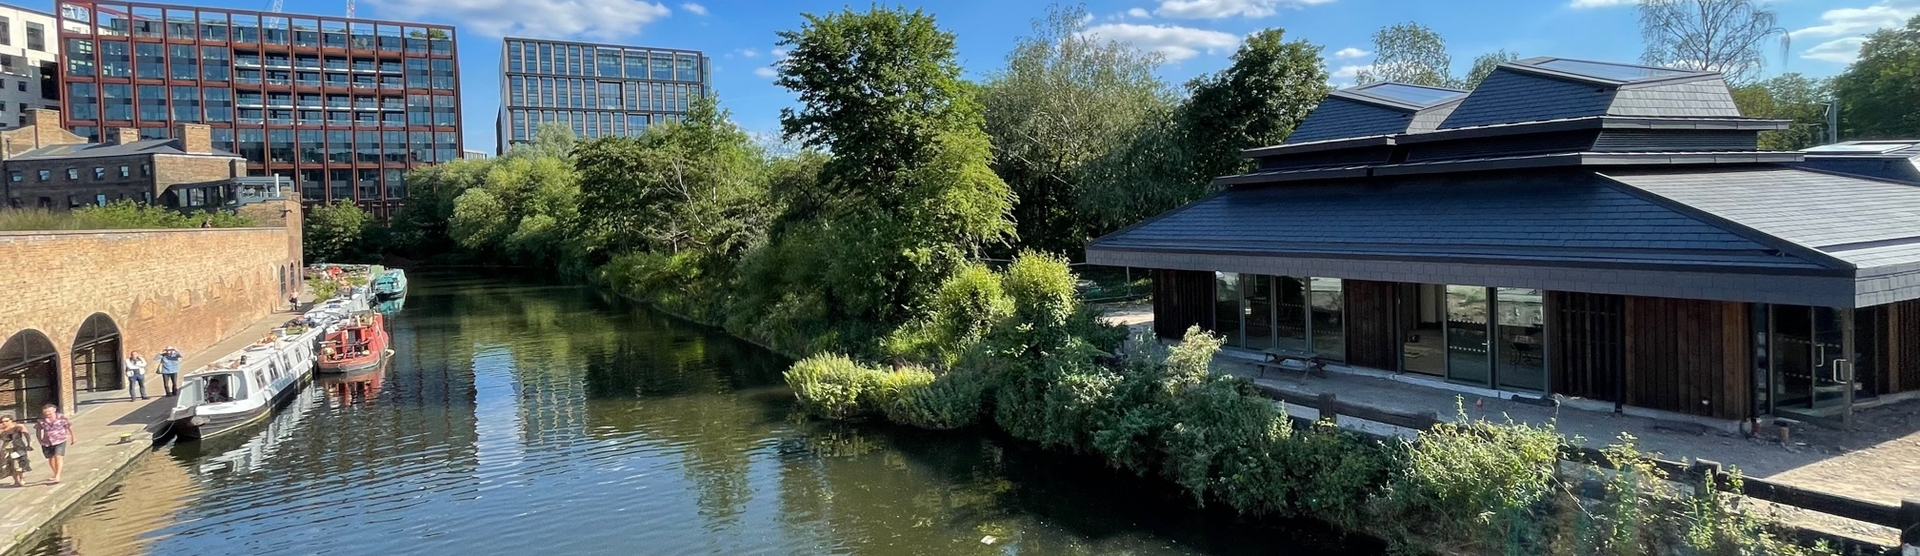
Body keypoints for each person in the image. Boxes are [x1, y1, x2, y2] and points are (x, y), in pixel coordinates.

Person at [34, 404, 70, 485]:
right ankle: (55, 472)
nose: (47, 414)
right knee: (50, 458)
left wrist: (73, 437)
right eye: (46, 412)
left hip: (60, 439)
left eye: (49, 412)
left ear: (54, 410)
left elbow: (69, 426)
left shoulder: (61, 417)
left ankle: (58, 475)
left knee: (58, 457)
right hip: (47, 441)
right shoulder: (41, 420)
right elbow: (38, 430)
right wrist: (39, 440)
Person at [0, 416, 32, 487]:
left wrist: (29, 444)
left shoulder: (18, 427)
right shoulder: (2, 430)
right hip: (6, 448)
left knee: (18, 464)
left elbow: (26, 435)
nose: (4, 423)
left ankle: (21, 479)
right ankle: (16, 481)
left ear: (11, 420)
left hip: (18, 447)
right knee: (9, 465)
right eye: (2, 422)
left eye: (6, 421)